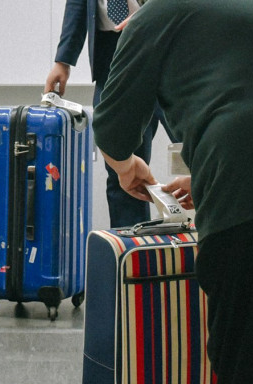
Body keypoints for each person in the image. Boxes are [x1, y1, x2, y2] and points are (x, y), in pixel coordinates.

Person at [92, 0, 253, 384]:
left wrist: (127, 167)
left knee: (252, 377)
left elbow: (112, 128)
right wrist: (207, 180)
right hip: (252, 179)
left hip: (248, 198)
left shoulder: (155, 15)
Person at [45, 0, 178, 228]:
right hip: (111, 54)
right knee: (122, 166)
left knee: (202, 154)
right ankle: (130, 246)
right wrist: (63, 60)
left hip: (164, 41)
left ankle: (219, 242)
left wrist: (151, 16)